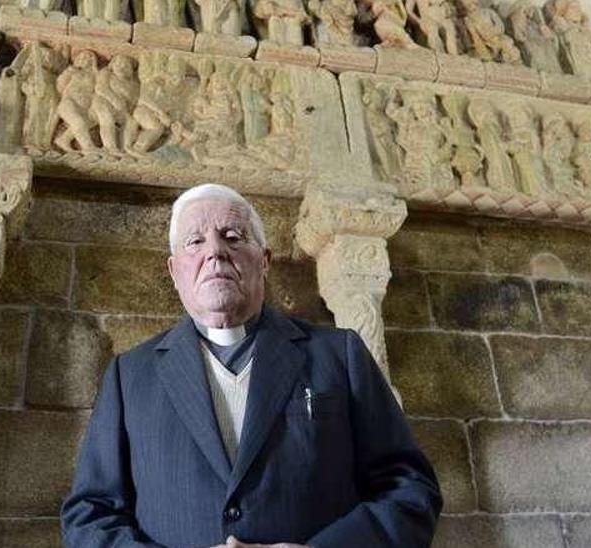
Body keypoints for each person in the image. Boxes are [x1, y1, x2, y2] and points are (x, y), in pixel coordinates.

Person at [61, 183, 443, 547]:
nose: (215, 252)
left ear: (264, 261)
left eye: (233, 236)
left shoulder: (338, 354)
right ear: (175, 272)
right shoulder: (130, 376)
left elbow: (409, 488)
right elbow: (90, 516)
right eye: (196, 242)